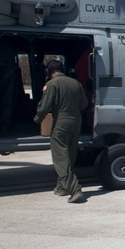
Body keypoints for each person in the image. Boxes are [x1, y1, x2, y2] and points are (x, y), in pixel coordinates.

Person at [33, 59, 89, 203]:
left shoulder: (52, 84)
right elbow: (84, 104)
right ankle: (62, 187)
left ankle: (75, 189)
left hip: (61, 122)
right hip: (76, 122)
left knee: (60, 157)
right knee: (70, 154)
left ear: (49, 72)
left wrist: (37, 119)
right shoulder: (76, 83)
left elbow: (45, 107)